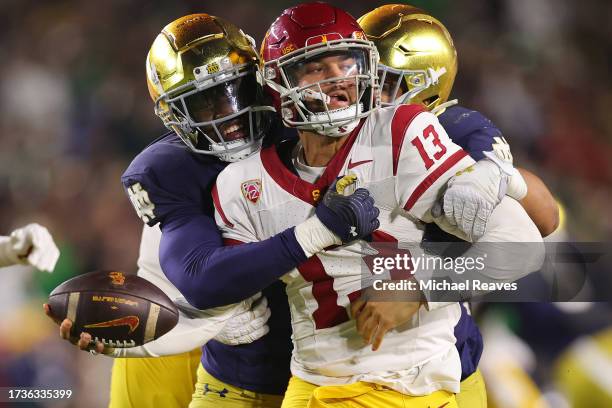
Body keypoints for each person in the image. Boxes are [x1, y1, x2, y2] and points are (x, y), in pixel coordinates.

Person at [211, 2, 543, 407]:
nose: (338, 80)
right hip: (309, 380)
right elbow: (225, 289)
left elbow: (522, 243)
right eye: (317, 68)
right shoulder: (243, 182)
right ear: (279, 84)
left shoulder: (400, 133)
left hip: (405, 379)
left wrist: (419, 289)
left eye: (346, 64)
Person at [357, 5, 560, 407]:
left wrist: (503, 174)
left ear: (425, 84)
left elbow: (544, 220)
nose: (361, 92)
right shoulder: (337, 131)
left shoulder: (453, 129)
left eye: (381, 82)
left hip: (436, 340)